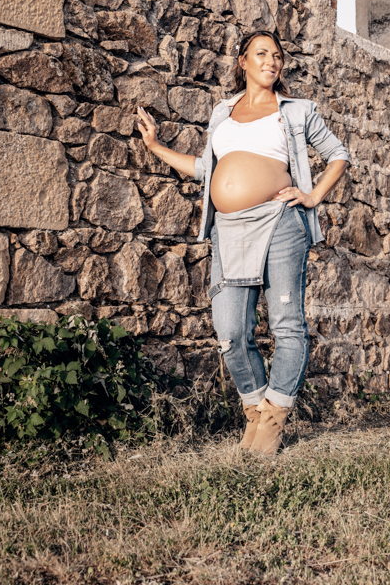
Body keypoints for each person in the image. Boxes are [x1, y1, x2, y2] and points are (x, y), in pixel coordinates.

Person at [136, 29, 350, 456]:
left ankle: (270, 424)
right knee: (231, 331)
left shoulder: (296, 111)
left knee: (287, 325)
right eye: (261, 54)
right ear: (243, 61)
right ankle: (255, 411)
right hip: (228, 229)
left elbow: (338, 154)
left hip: (279, 222)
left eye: (277, 55)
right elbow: (206, 169)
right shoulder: (223, 112)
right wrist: (156, 147)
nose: (271, 61)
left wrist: (311, 196)